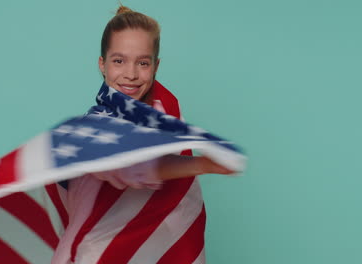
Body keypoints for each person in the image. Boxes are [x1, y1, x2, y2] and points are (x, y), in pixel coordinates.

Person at [51, 6, 236, 264]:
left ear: (156, 65)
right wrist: (204, 163)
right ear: (101, 64)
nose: (131, 74)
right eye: (119, 61)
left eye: (143, 62)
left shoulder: (160, 107)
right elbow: (134, 165)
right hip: (95, 255)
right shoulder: (95, 127)